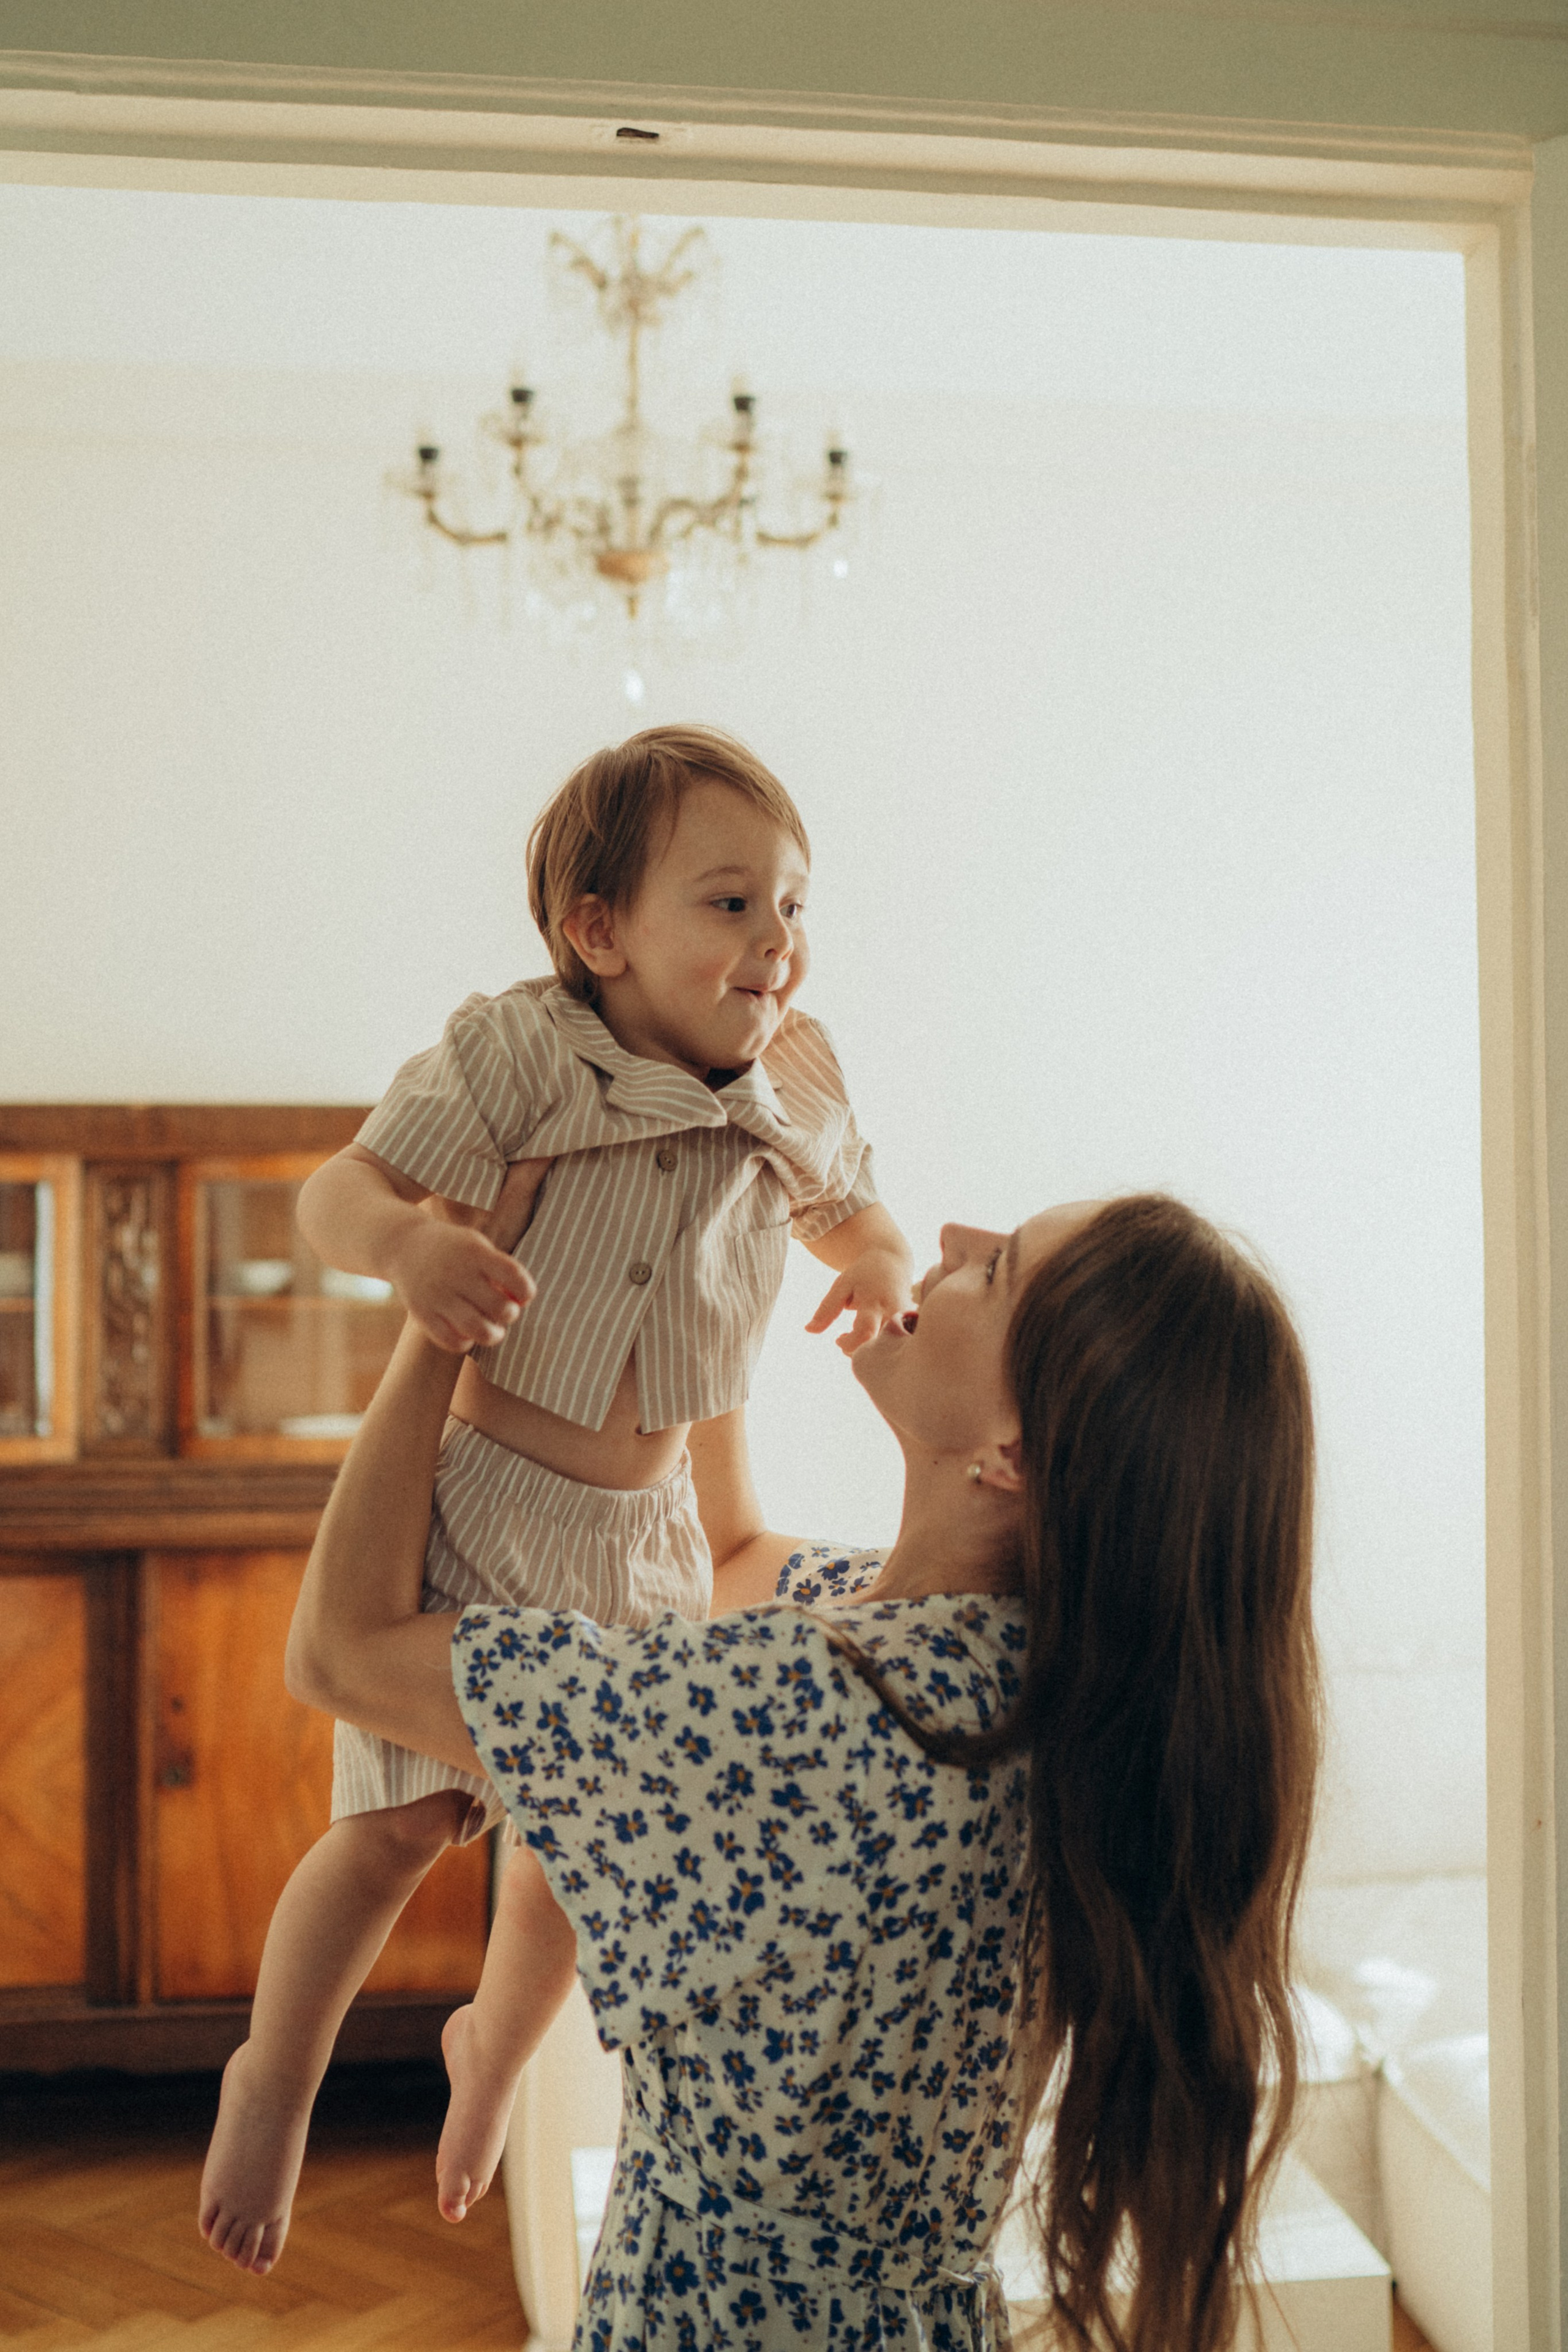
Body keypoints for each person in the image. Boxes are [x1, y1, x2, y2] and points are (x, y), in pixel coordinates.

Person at [274, 1169, 1322, 2352]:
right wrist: (700, 1231)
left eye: (998, 1267)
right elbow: (721, 1556)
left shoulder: (811, 1711)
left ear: (1012, 1454)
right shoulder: (1028, 1666)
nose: (952, 1236)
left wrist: (434, 1312)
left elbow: (341, 1651)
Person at [198, 726, 914, 2275]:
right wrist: (406, 1253)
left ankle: (493, 2063)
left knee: (567, 1867)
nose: (775, 941)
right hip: (479, 1499)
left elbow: (861, 1218)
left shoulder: (784, 1086)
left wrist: (873, 1271)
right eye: (729, 904)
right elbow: (340, 1190)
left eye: (794, 904)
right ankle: (277, 2072)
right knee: (398, 1828)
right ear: (598, 932)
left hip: (638, 1536)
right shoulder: (525, 1052)